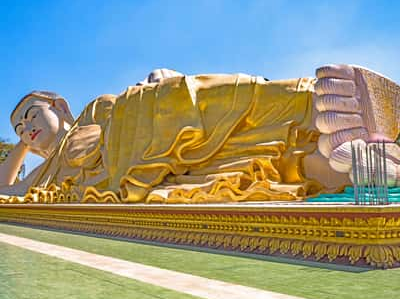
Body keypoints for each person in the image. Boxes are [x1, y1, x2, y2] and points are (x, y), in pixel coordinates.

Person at [0, 65, 399, 204]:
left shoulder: (94, 110)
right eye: (19, 128)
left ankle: (315, 104)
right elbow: (7, 190)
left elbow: (130, 108)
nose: (27, 128)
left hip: (149, 131)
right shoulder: (45, 174)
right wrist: (23, 145)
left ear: (61, 107)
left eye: (31, 115)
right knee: (245, 169)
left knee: (169, 98)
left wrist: (152, 87)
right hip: (136, 175)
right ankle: (345, 164)